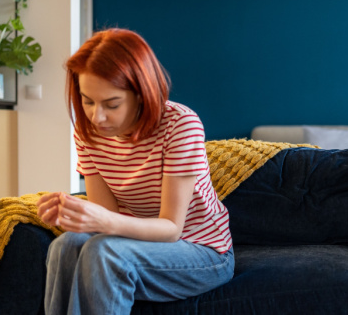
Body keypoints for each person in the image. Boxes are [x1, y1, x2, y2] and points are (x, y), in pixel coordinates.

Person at [37, 28, 234, 314]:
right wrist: (75, 215)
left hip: (201, 250)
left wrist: (102, 219)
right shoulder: (87, 132)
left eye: (111, 104)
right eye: (87, 101)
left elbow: (171, 229)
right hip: (132, 242)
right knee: (65, 246)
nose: (96, 116)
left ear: (141, 94)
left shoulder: (180, 125)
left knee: (103, 253)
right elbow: (106, 216)